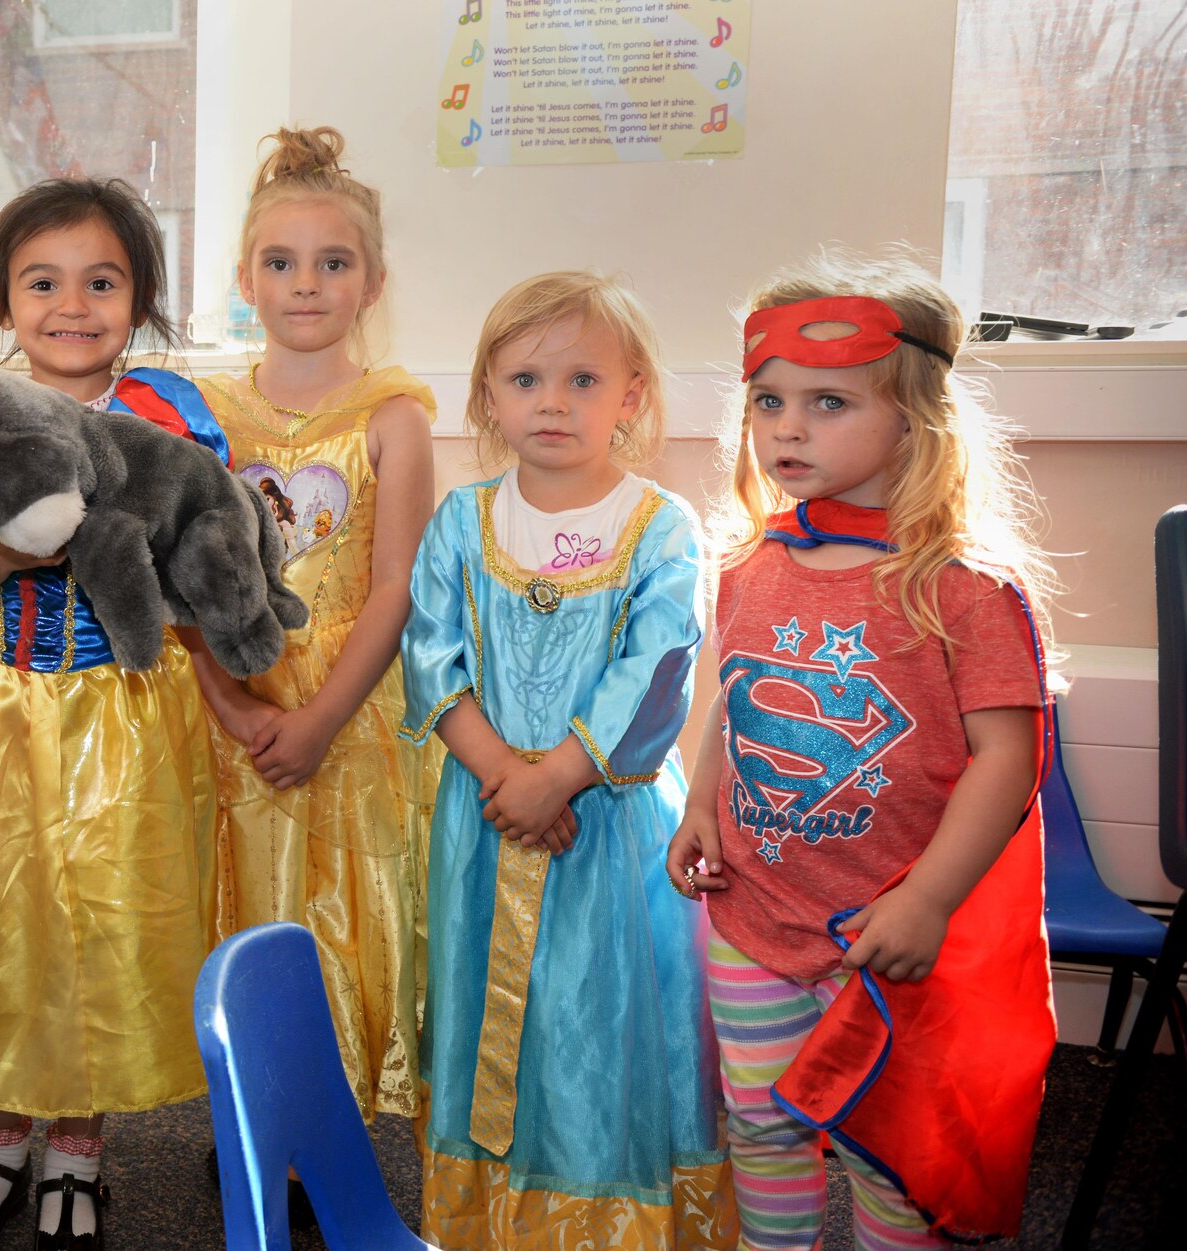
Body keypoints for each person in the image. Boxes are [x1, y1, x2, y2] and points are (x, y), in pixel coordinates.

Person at [666, 251, 1058, 1247]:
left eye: (827, 402)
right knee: (759, 1126)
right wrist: (700, 799)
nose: (786, 429)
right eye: (766, 402)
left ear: (914, 420)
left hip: (883, 940)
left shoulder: (962, 589)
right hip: (752, 914)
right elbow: (732, 695)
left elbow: (1006, 762)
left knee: (887, 1160)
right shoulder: (750, 563)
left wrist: (923, 900)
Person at [0, 177, 226, 1251]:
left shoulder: (172, 414)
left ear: (141, 297)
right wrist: (27, 538)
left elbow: (210, 562)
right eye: (41, 282)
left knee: (98, 933)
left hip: (122, 716)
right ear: (1, 298)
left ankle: (77, 1157)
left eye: (102, 281)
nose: (71, 304)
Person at [402, 273, 735, 1249]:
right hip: (481, 816)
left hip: (609, 834)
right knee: (488, 1022)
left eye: (582, 379)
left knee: (597, 1029)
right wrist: (508, 777)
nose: (551, 400)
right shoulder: (461, 523)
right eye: (524, 377)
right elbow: (430, 662)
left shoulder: (660, 526)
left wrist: (556, 777)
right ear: (488, 394)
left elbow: (657, 665)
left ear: (629, 395)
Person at [192, 126, 435, 1133]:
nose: (306, 284)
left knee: (332, 910)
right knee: (242, 899)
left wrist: (321, 719)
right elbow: (186, 578)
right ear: (244, 278)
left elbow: (396, 586)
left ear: (371, 281)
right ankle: (248, 1111)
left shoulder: (392, 416)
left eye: (333, 263)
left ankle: (317, 1122)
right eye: (281, 263)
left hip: (348, 708)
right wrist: (232, 705)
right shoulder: (204, 415)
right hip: (230, 703)